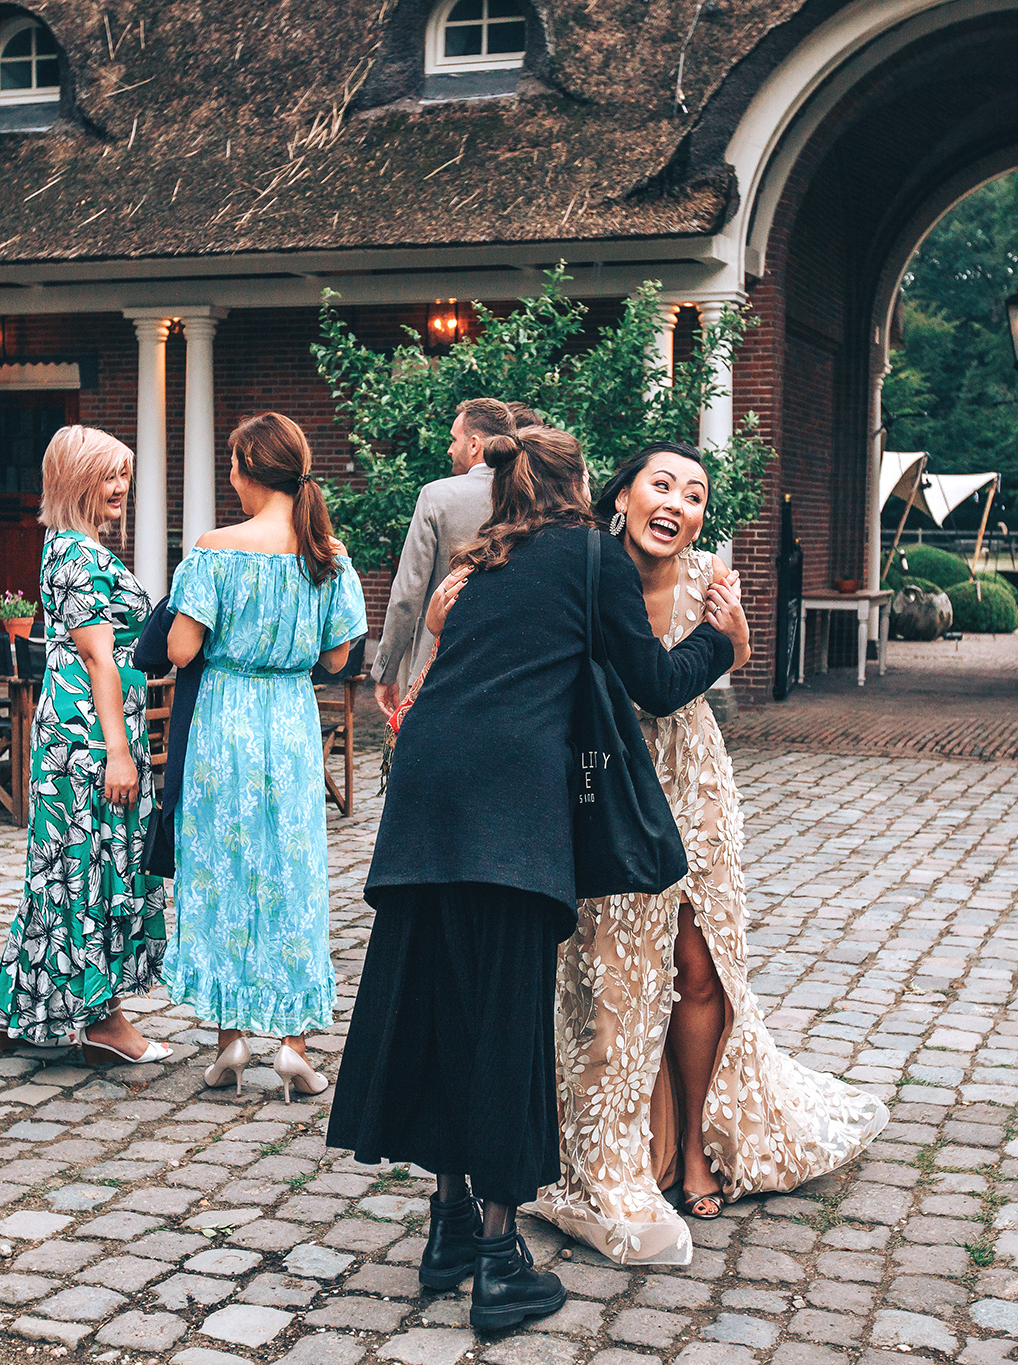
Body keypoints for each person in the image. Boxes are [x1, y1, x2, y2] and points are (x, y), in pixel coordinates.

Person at [327, 424, 739, 1331]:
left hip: (426, 800)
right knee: (507, 1024)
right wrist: (723, 640)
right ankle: (500, 1261)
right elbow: (658, 681)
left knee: (442, 1003)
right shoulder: (592, 557)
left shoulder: (482, 560)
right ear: (585, 486)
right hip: (507, 811)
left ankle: (446, 1227)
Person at [529, 442, 890, 1264]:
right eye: (663, 484)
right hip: (609, 789)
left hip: (692, 786)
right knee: (614, 976)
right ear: (620, 496)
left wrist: (735, 637)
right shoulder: (581, 570)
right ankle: (601, 1145)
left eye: (694, 495)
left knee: (701, 969)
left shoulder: (710, 576)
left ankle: (691, 1143)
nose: (679, 503)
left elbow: (739, 652)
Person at [164, 411, 366, 1102]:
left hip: (223, 722)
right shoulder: (327, 555)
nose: (229, 476)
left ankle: (229, 1042)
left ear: (248, 470)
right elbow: (338, 658)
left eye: (231, 463)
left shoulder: (215, 548)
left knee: (223, 870)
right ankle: (295, 1046)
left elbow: (181, 650)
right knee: (293, 876)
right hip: (289, 722)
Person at [0, 426, 170, 1066]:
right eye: (107, 477)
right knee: (88, 871)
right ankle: (102, 1021)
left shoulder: (71, 548)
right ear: (75, 481)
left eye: (124, 476)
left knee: (63, 869)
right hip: (90, 734)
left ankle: (14, 1012)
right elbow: (97, 658)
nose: (120, 488)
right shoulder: (77, 556)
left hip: (79, 726)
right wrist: (119, 751)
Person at [372, 398, 512, 719]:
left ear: (474, 444)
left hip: (439, 663)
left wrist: (386, 671)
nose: (450, 449)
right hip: (510, 668)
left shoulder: (436, 496)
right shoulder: (535, 497)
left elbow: (407, 595)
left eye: (454, 439)